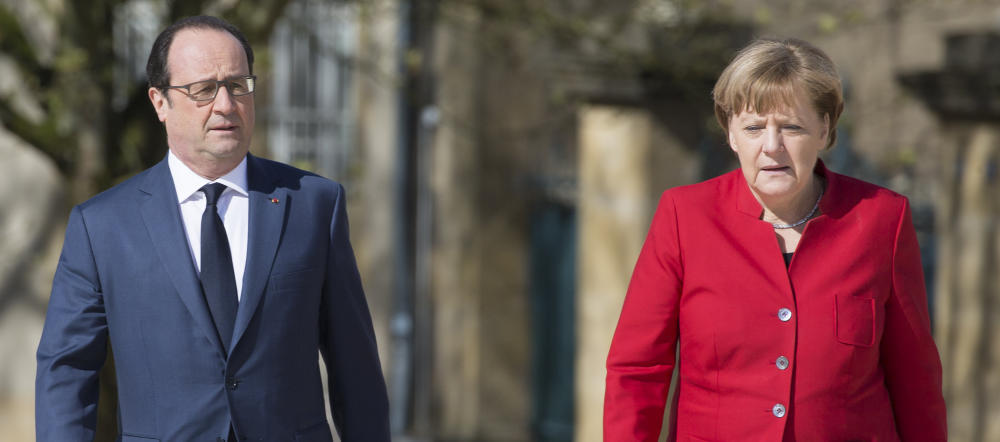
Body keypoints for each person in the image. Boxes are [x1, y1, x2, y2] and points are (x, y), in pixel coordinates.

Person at [35, 16, 389, 441]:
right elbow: (67, 371)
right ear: (159, 102)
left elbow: (356, 368)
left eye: (238, 85)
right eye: (202, 90)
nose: (225, 105)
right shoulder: (103, 225)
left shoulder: (314, 205)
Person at [604, 38, 946, 441]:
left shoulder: (881, 220)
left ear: (824, 129)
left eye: (791, 127)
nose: (771, 146)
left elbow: (915, 379)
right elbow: (638, 369)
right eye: (753, 127)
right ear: (731, 133)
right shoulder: (685, 216)